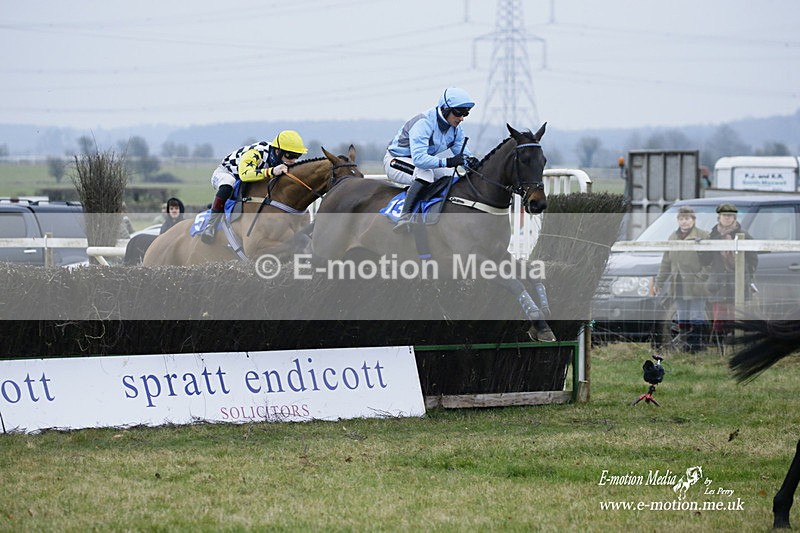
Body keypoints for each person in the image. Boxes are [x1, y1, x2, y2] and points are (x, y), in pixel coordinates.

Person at [384, 87, 478, 233]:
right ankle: (404, 217)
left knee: (448, 175)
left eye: (465, 113)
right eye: (458, 113)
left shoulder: (456, 130)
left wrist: (473, 164)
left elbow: (463, 155)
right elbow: (420, 159)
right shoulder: (424, 123)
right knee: (425, 175)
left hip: (420, 163)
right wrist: (448, 161)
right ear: (446, 109)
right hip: (396, 160)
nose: (462, 118)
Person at [201, 130, 308, 243]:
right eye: (290, 156)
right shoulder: (257, 152)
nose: (293, 160)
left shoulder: (281, 159)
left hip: (249, 176)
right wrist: (272, 171)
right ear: (277, 152)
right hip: (228, 173)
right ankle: (211, 225)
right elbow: (245, 175)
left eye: (297, 156)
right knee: (228, 184)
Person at [654, 206, 710, 352]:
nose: (684, 222)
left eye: (687, 219)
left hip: (696, 284)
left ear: (693, 220)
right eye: (681, 219)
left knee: (697, 315)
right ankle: (685, 346)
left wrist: (701, 277)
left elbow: (710, 261)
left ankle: (697, 346)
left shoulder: (703, 236)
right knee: (682, 316)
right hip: (677, 284)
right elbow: (666, 262)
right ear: (677, 220)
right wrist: (659, 281)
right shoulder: (672, 237)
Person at [704, 203, 758, 339]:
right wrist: (701, 247)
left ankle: (735, 344)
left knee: (737, 316)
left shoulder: (744, 235)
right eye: (724, 215)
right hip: (718, 284)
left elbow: (752, 259)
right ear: (719, 217)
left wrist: (747, 277)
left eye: (730, 216)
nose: (727, 218)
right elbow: (705, 260)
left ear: (734, 218)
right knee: (719, 319)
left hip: (737, 283)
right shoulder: (712, 236)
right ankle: (719, 348)